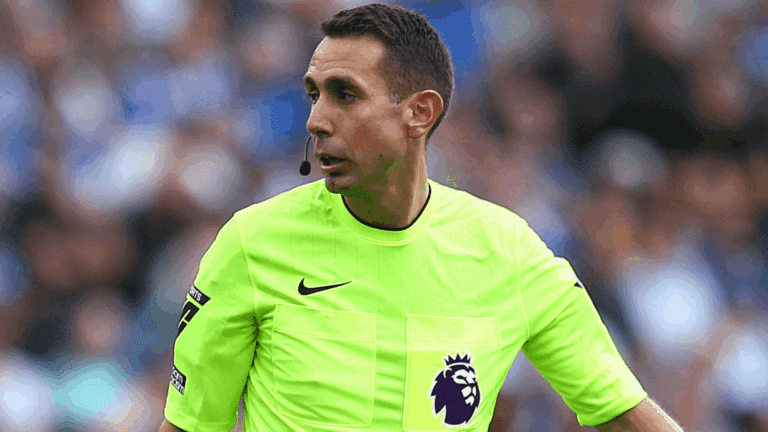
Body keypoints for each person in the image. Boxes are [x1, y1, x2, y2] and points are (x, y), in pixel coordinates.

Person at [158, 3, 685, 431]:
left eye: (346, 94)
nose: (316, 119)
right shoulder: (252, 244)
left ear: (420, 112)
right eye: (314, 95)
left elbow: (622, 412)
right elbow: (189, 426)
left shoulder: (510, 253)